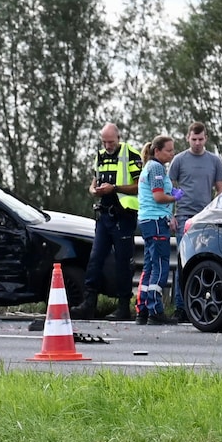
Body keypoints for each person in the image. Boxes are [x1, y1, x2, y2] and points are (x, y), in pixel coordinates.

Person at [73, 123, 143, 321]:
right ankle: (89, 304)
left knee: (123, 262)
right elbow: (93, 182)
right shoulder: (100, 155)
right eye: (104, 141)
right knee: (95, 259)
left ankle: (123, 307)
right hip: (104, 216)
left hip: (124, 216)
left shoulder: (130, 154)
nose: (107, 145)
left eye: (110, 141)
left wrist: (115, 188)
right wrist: (93, 191)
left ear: (118, 138)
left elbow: (139, 186)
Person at [168, 121, 222, 320]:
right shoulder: (179, 160)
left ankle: (205, 305)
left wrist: (219, 214)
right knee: (183, 261)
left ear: (206, 139)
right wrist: (171, 214)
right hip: (184, 215)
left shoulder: (214, 161)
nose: (197, 143)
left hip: (206, 216)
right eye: (194, 139)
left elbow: (221, 190)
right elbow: (169, 188)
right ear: (188, 138)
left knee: (206, 260)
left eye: (201, 139)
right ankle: (180, 307)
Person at [135, 135, 182, 325]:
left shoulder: (151, 167)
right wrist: (175, 197)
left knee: (148, 265)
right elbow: (159, 197)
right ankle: (156, 310)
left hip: (148, 220)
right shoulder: (156, 168)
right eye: (169, 150)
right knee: (160, 265)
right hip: (155, 221)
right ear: (157, 151)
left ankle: (142, 310)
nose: (172, 154)